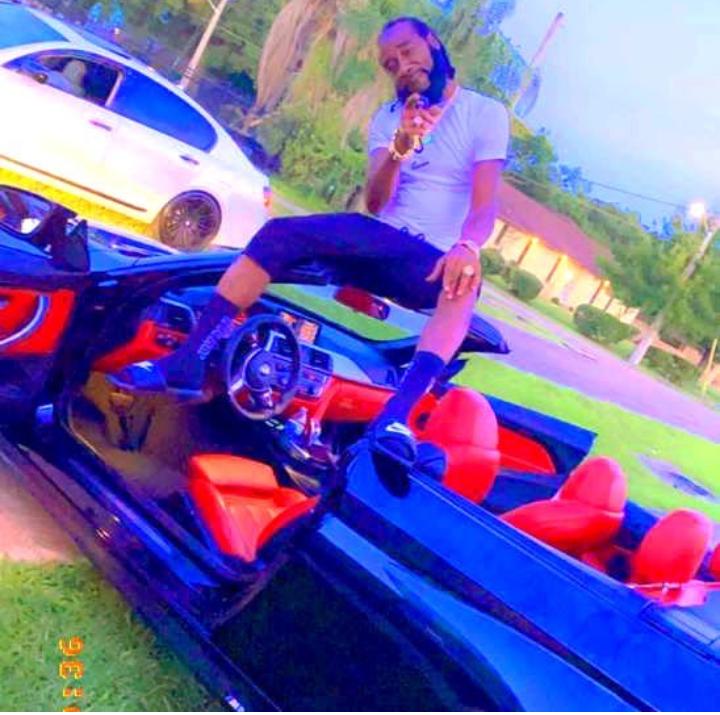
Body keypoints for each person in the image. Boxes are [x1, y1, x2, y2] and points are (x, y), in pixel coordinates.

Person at [109, 16, 509, 461]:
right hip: (377, 239)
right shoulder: (388, 118)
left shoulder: (483, 113)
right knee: (278, 234)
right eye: (390, 64)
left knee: (465, 285)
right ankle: (189, 361)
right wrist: (400, 147)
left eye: (407, 51)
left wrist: (467, 247)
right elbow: (377, 202)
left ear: (432, 43)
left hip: (432, 259)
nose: (402, 66)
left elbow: (485, 205)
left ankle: (394, 419)